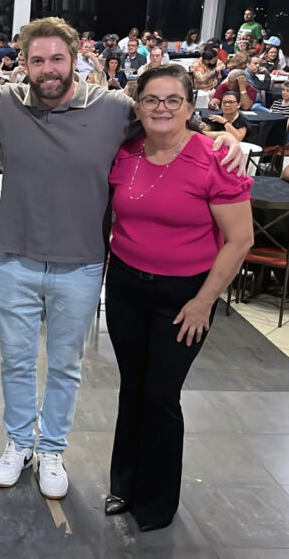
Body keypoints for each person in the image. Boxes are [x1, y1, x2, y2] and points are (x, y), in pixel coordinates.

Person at [0, 17, 246, 501]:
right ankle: (18, 444)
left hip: (82, 262)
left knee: (65, 365)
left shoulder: (114, 108)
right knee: (14, 361)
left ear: (76, 59)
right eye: (37, 60)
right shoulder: (4, 101)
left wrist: (224, 138)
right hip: (15, 256)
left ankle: (51, 448)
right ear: (23, 65)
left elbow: (168, 121)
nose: (48, 69)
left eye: (57, 59)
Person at [105, 65, 253, 531]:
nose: (162, 108)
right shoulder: (126, 152)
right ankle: (124, 485)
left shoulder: (214, 157)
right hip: (126, 287)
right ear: (138, 105)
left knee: (161, 395)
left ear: (191, 106)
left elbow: (241, 240)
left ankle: (156, 501)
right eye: (151, 100)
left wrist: (204, 301)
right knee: (133, 387)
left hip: (184, 296)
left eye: (173, 100)